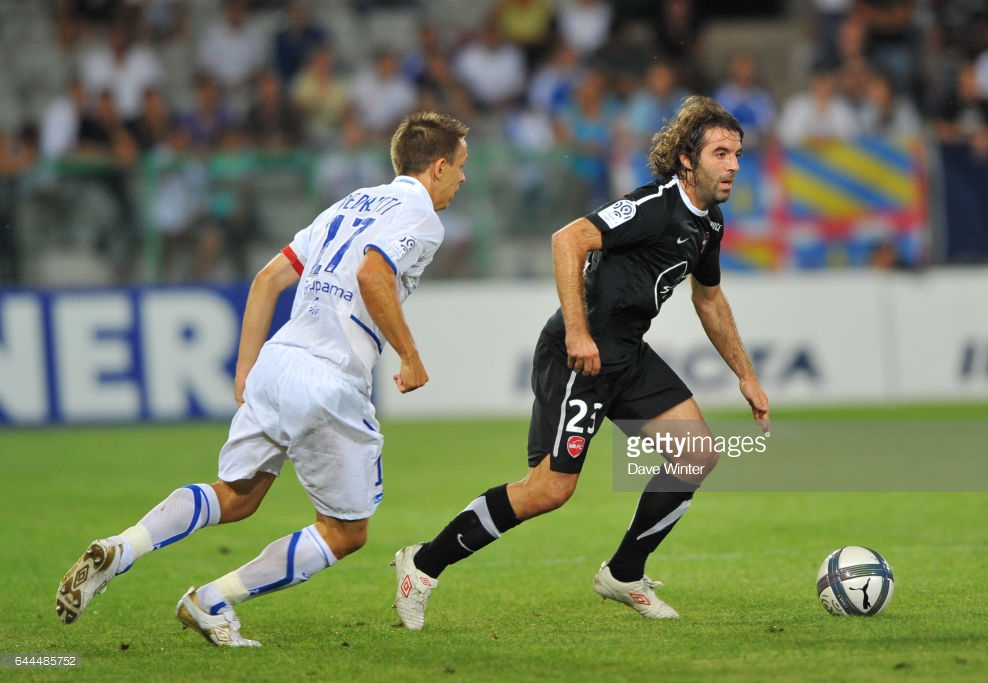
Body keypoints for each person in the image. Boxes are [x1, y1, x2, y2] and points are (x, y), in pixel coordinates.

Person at [55, 111, 470, 646]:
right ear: (437, 167)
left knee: (236, 495)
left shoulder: (348, 203)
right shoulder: (422, 219)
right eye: (460, 166)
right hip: (327, 379)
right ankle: (211, 599)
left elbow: (267, 279)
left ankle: (123, 546)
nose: (463, 178)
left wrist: (246, 371)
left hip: (277, 362)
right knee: (346, 532)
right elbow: (373, 275)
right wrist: (409, 356)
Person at [392, 95, 770, 630]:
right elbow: (568, 240)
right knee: (548, 490)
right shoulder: (654, 204)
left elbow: (708, 298)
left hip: (627, 354)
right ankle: (422, 565)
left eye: (737, 153)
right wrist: (577, 332)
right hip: (581, 356)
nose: (733, 164)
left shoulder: (709, 224)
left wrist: (746, 375)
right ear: (688, 159)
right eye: (721, 153)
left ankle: (624, 573)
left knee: (695, 454)